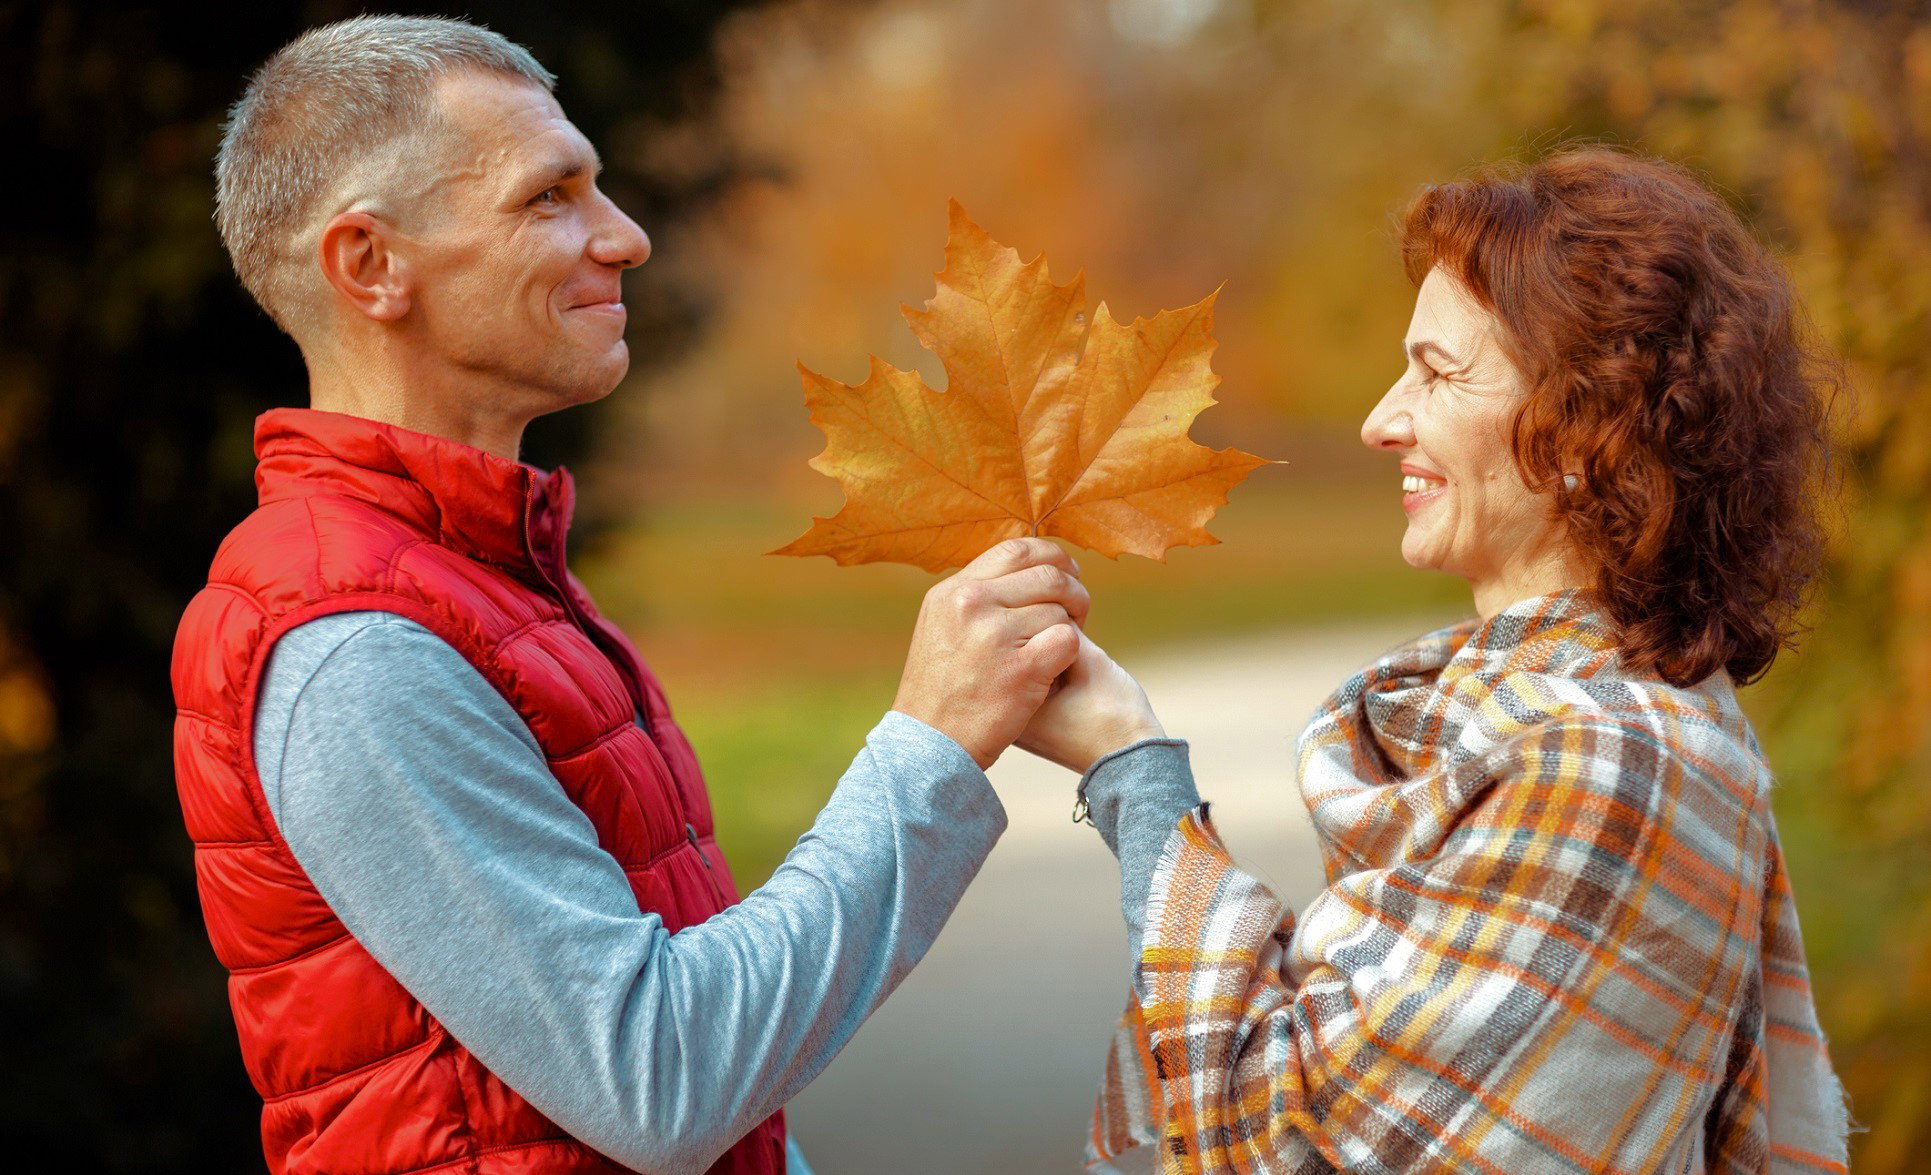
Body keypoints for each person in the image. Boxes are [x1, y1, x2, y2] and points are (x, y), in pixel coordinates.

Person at [169, 15, 1181, 1175]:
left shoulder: (484, 579)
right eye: (549, 197)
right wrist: (932, 741)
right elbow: (659, 1081)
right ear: (371, 265)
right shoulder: (351, 646)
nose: (626, 237)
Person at [1018, 147, 1853, 1173]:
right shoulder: (1516, 726)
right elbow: (1357, 1061)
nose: (1380, 420)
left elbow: (1291, 1144)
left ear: (1584, 426)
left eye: (1437, 372)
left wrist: (1132, 776)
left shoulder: (1608, 768)